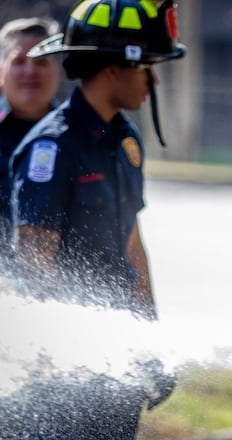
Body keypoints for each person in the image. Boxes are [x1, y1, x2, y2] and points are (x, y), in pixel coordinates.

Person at [4, 0, 185, 438]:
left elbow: (132, 246)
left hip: (115, 363)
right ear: (114, 69)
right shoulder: (51, 149)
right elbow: (33, 264)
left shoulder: (125, 139)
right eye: (147, 67)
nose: (153, 79)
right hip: (61, 374)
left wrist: (149, 338)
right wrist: (96, 341)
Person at [0, 17, 61, 263]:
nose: (30, 71)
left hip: (65, 295)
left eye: (42, 61)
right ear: (1, 71)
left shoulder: (80, 138)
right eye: (19, 61)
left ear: (57, 69)